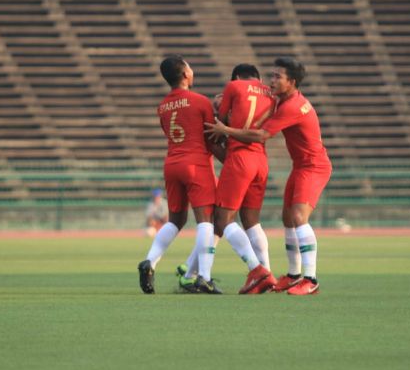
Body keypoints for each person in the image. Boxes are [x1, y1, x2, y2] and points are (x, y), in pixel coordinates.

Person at [205, 57, 333, 295]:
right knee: (288, 218)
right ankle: (294, 276)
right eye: (272, 76)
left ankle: (311, 279)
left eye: (278, 77)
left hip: (313, 166)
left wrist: (225, 129)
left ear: (292, 82)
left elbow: (262, 134)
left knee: (298, 216)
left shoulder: (292, 106)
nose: (272, 81)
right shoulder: (284, 101)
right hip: (301, 165)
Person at [137, 55, 223, 295]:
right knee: (206, 219)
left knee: (176, 219)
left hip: (172, 163)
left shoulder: (163, 105)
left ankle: (150, 261)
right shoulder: (200, 101)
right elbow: (211, 138)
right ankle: (204, 277)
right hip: (196, 164)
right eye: (190, 66)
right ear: (186, 74)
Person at [211, 63, 277, 294]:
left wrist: (218, 109)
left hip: (240, 158)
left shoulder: (234, 85)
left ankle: (256, 270)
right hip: (261, 160)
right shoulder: (271, 92)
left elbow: (220, 121)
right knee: (251, 221)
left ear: (237, 76)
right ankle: (268, 273)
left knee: (222, 219)